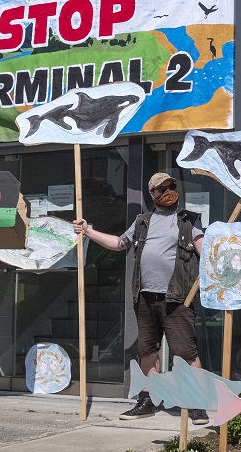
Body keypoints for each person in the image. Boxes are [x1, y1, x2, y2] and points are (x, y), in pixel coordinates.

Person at [74, 172, 207, 423]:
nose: (168, 191)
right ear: (152, 194)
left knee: (186, 352)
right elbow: (119, 243)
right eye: (162, 188)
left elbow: (205, 250)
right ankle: (148, 399)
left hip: (177, 298)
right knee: (147, 350)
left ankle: (197, 403)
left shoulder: (188, 220)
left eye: (171, 186)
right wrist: (88, 231)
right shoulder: (142, 222)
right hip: (145, 297)